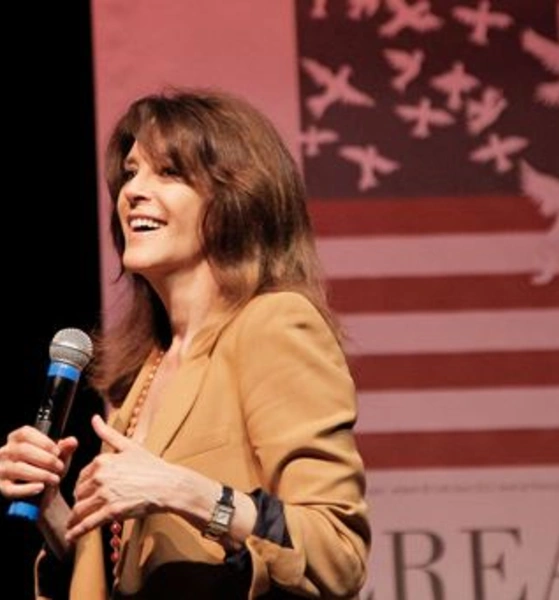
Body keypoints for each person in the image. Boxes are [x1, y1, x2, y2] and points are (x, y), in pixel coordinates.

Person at [0, 87, 370, 599]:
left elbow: (337, 551)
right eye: (130, 173)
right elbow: (128, 577)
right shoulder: (144, 373)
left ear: (236, 199)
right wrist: (52, 508)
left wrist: (184, 491)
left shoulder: (274, 324)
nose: (132, 191)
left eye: (168, 173)